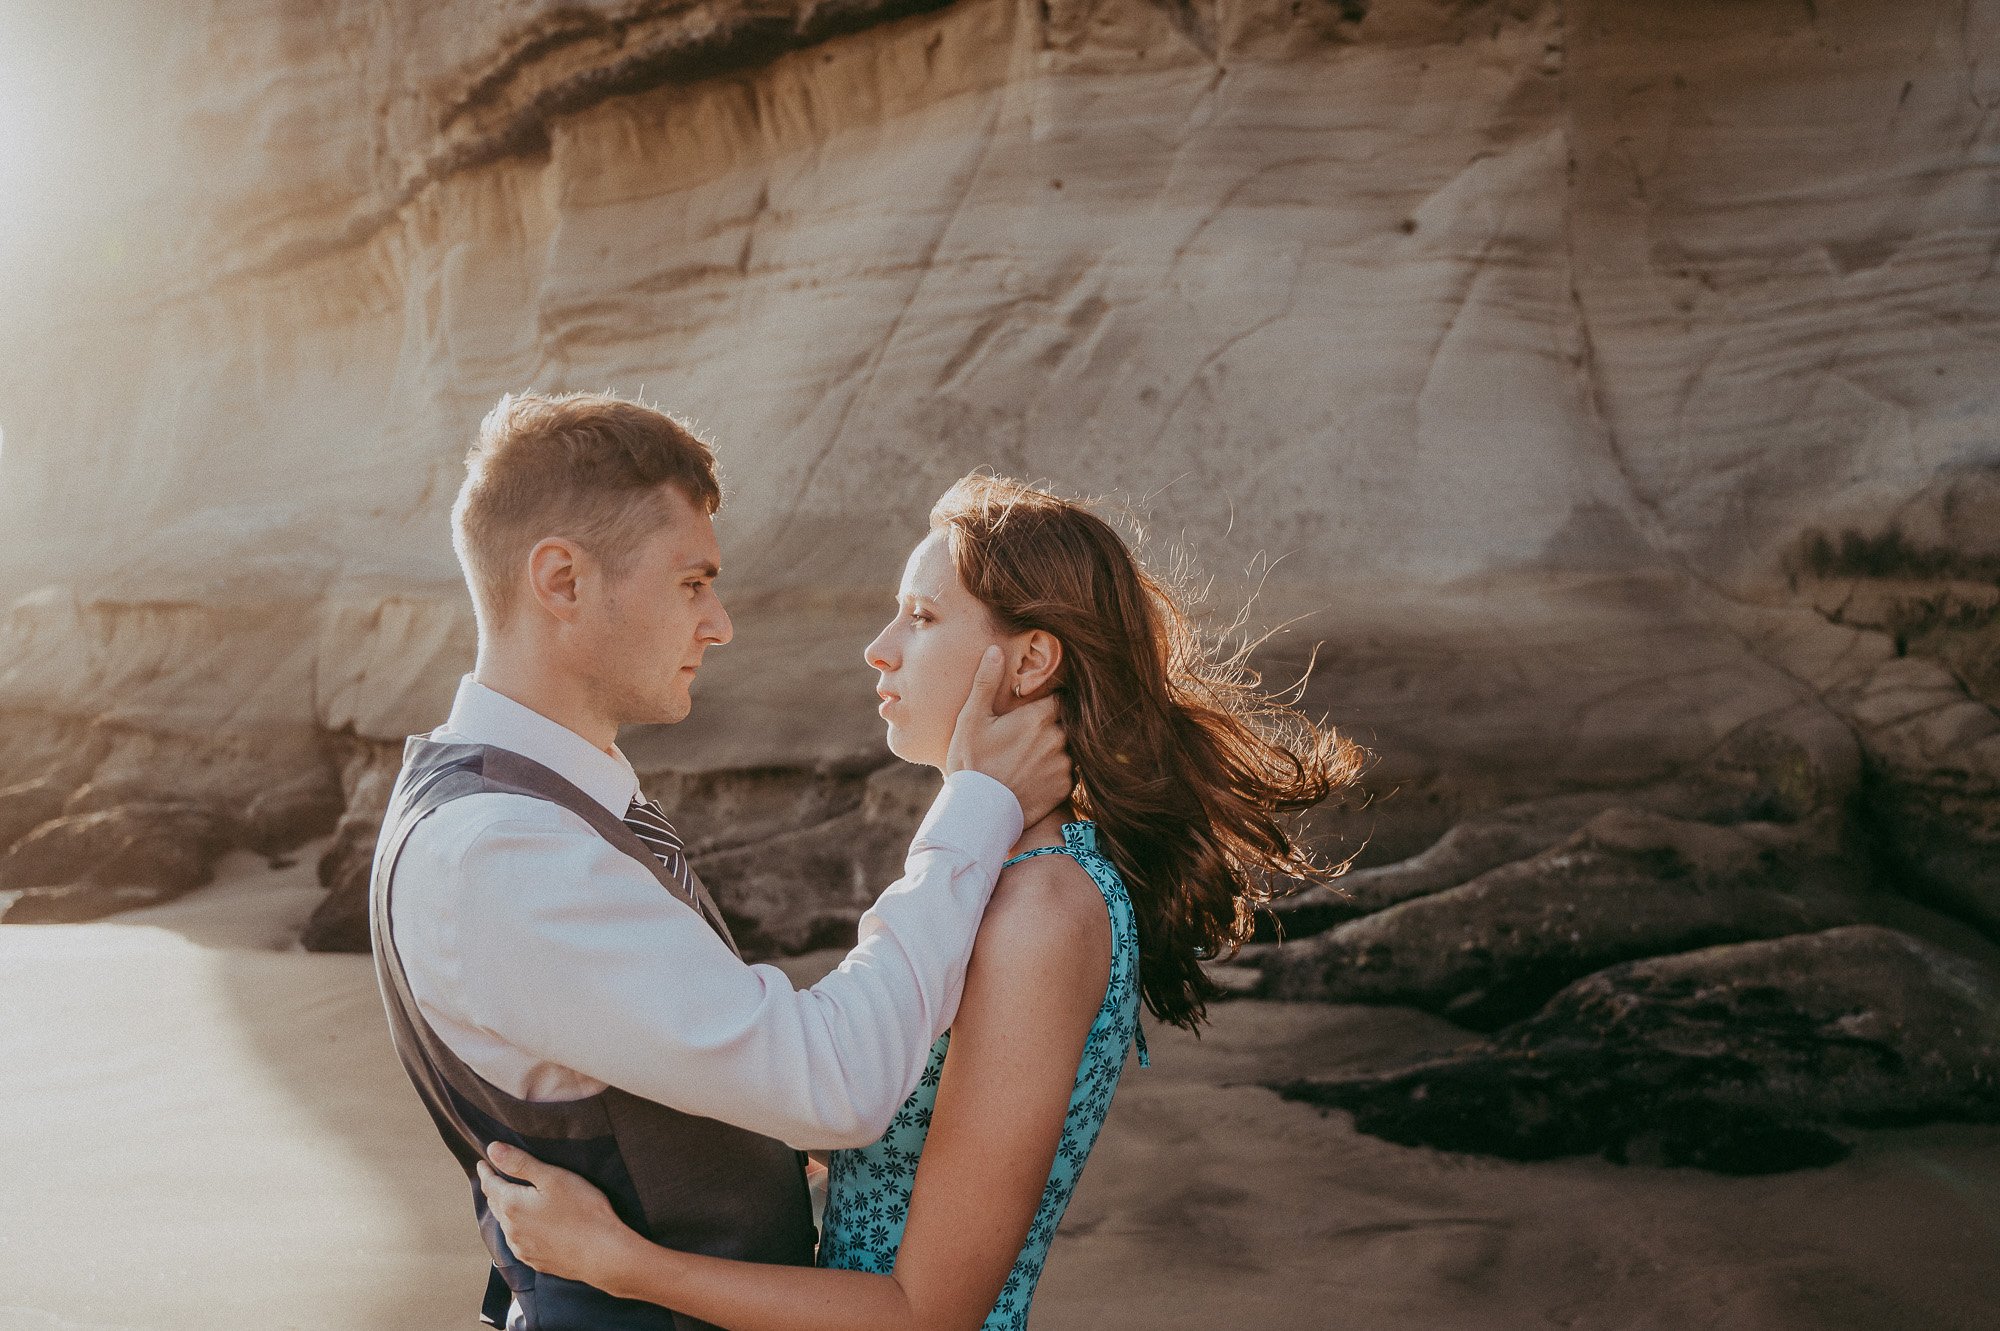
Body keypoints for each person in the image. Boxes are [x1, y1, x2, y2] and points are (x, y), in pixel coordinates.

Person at [477, 474, 1363, 1331]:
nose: (881, 646)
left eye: (924, 616)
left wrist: (618, 1260)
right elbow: (899, 1146)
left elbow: (928, 1310)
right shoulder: (993, 876)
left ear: (1030, 660)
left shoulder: (1045, 910)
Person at [368, 394, 1074, 1331]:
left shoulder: (531, 808)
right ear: (562, 580)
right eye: (692, 582)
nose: (721, 622)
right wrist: (979, 805)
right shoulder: (499, 854)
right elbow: (838, 1081)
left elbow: (667, 1078)